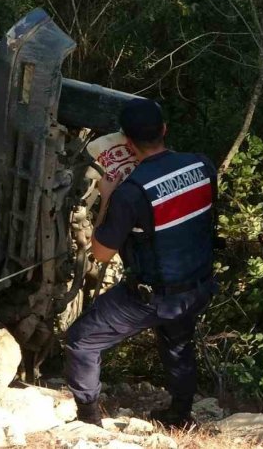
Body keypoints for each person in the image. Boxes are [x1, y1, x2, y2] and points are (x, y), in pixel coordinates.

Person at [65, 97, 220, 428]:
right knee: (178, 342)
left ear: (127, 142)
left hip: (153, 297)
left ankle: (88, 419)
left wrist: (107, 195)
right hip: (197, 285)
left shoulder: (131, 192)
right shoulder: (202, 166)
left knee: (82, 340)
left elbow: (102, 253)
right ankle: (179, 417)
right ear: (164, 129)